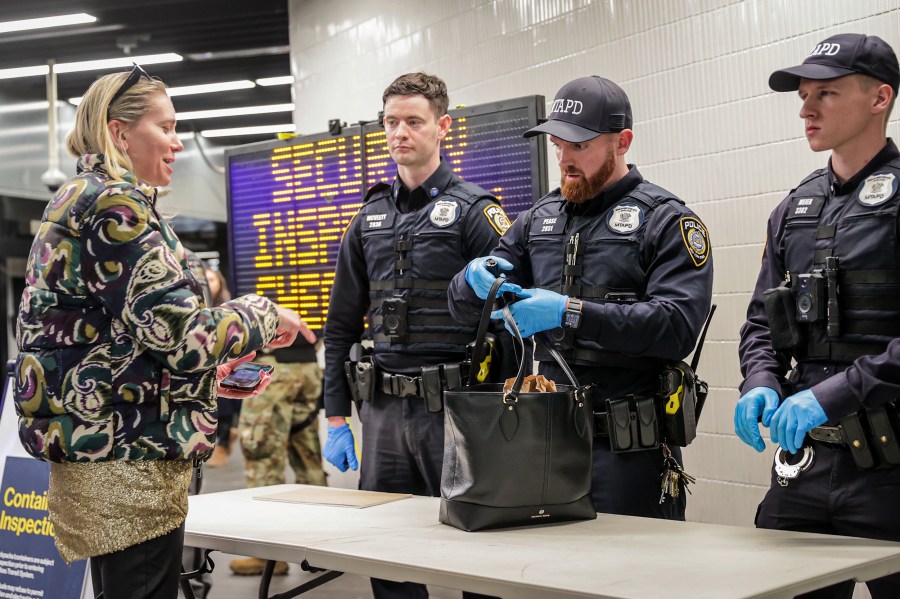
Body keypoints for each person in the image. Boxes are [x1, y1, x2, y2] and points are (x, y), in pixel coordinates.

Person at [13, 65, 314, 599]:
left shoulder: (83, 196)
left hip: (107, 448)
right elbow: (181, 335)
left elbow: (120, 336)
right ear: (118, 131)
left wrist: (204, 377)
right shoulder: (115, 204)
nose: (177, 143)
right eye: (166, 127)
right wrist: (264, 315)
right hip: (128, 460)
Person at [448, 76, 714, 520]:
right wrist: (470, 282)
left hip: (630, 450)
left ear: (622, 141)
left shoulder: (666, 221)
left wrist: (568, 312)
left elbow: (676, 327)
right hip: (548, 443)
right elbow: (463, 310)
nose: (565, 159)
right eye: (557, 144)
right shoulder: (538, 220)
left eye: (579, 146)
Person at [322, 72, 512, 599]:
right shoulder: (367, 219)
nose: (399, 132)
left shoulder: (476, 212)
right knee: (388, 553)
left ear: (442, 127)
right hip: (383, 412)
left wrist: (509, 406)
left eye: (413, 121)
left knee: (478, 552)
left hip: (460, 408)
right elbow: (340, 326)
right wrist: (336, 416)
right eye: (390, 122)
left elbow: (514, 320)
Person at [735, 33, 900, 598]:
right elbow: (761, 320)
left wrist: (829, 395)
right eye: (803, 94)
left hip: (891, 469)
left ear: (880, 98)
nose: (805, 108)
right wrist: (759, 379)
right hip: (803, 469)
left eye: (825, 93)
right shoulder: (793, 209)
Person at [229, 336, 326, 577]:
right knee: (307, 455)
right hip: (309, 366)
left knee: (262, 458)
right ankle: (323, 549)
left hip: (268, 369)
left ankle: (269, 556)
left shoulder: (263, 295)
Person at [202, 266, 241, 468]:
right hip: (202, 366)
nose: (209, 283)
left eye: (213, 279)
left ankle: (224, 441)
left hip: (225, 362)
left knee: (227, 403)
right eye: (205, 279)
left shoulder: (227, 308)